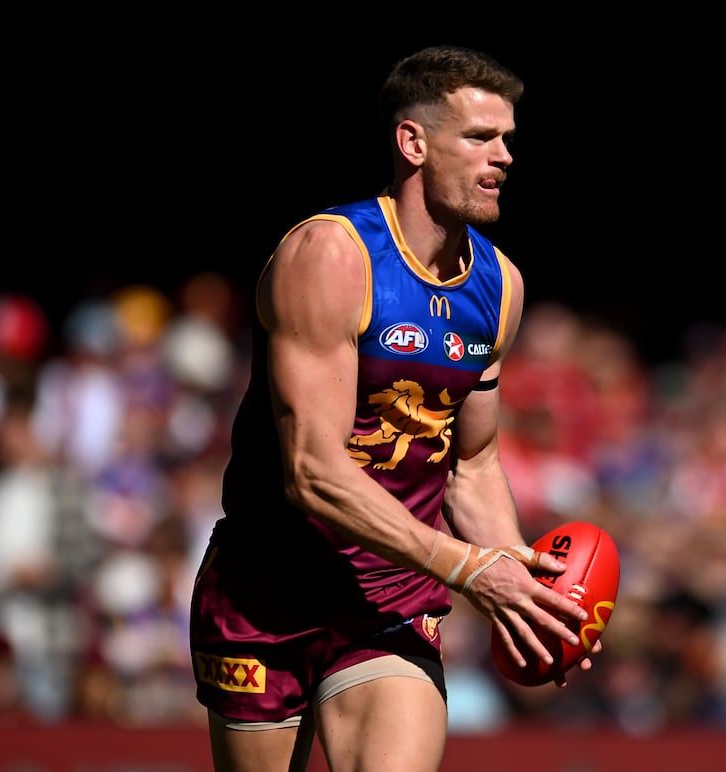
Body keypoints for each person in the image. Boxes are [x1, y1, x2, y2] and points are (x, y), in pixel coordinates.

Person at [189, 44, 601, 772]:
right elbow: (313, 474)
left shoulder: (499, 287)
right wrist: (469, 569)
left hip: (391, 599)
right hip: (264, 590)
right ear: (413, 142)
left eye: (508, 138)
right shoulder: (331, 255)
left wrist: (524, 594)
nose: (504, 156)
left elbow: (470, 466)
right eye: (480, 137)